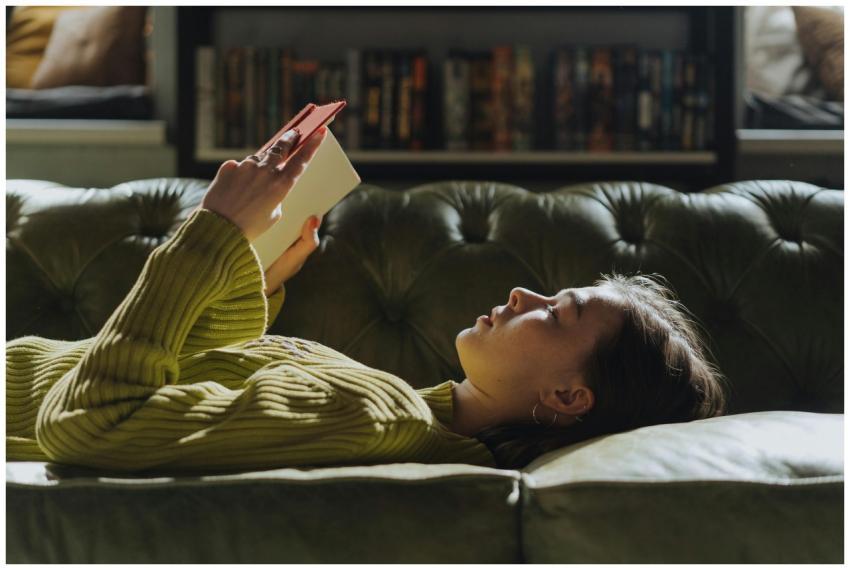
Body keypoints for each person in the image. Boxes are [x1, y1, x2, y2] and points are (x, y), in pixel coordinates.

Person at [6, 126, 728, 473]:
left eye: (556, 311)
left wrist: (210, 235)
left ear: (570, 399)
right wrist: (248, 278)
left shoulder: (376, 415)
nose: (521, 291)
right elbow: (180, 386)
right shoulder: (399, 405)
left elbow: (89, 421)